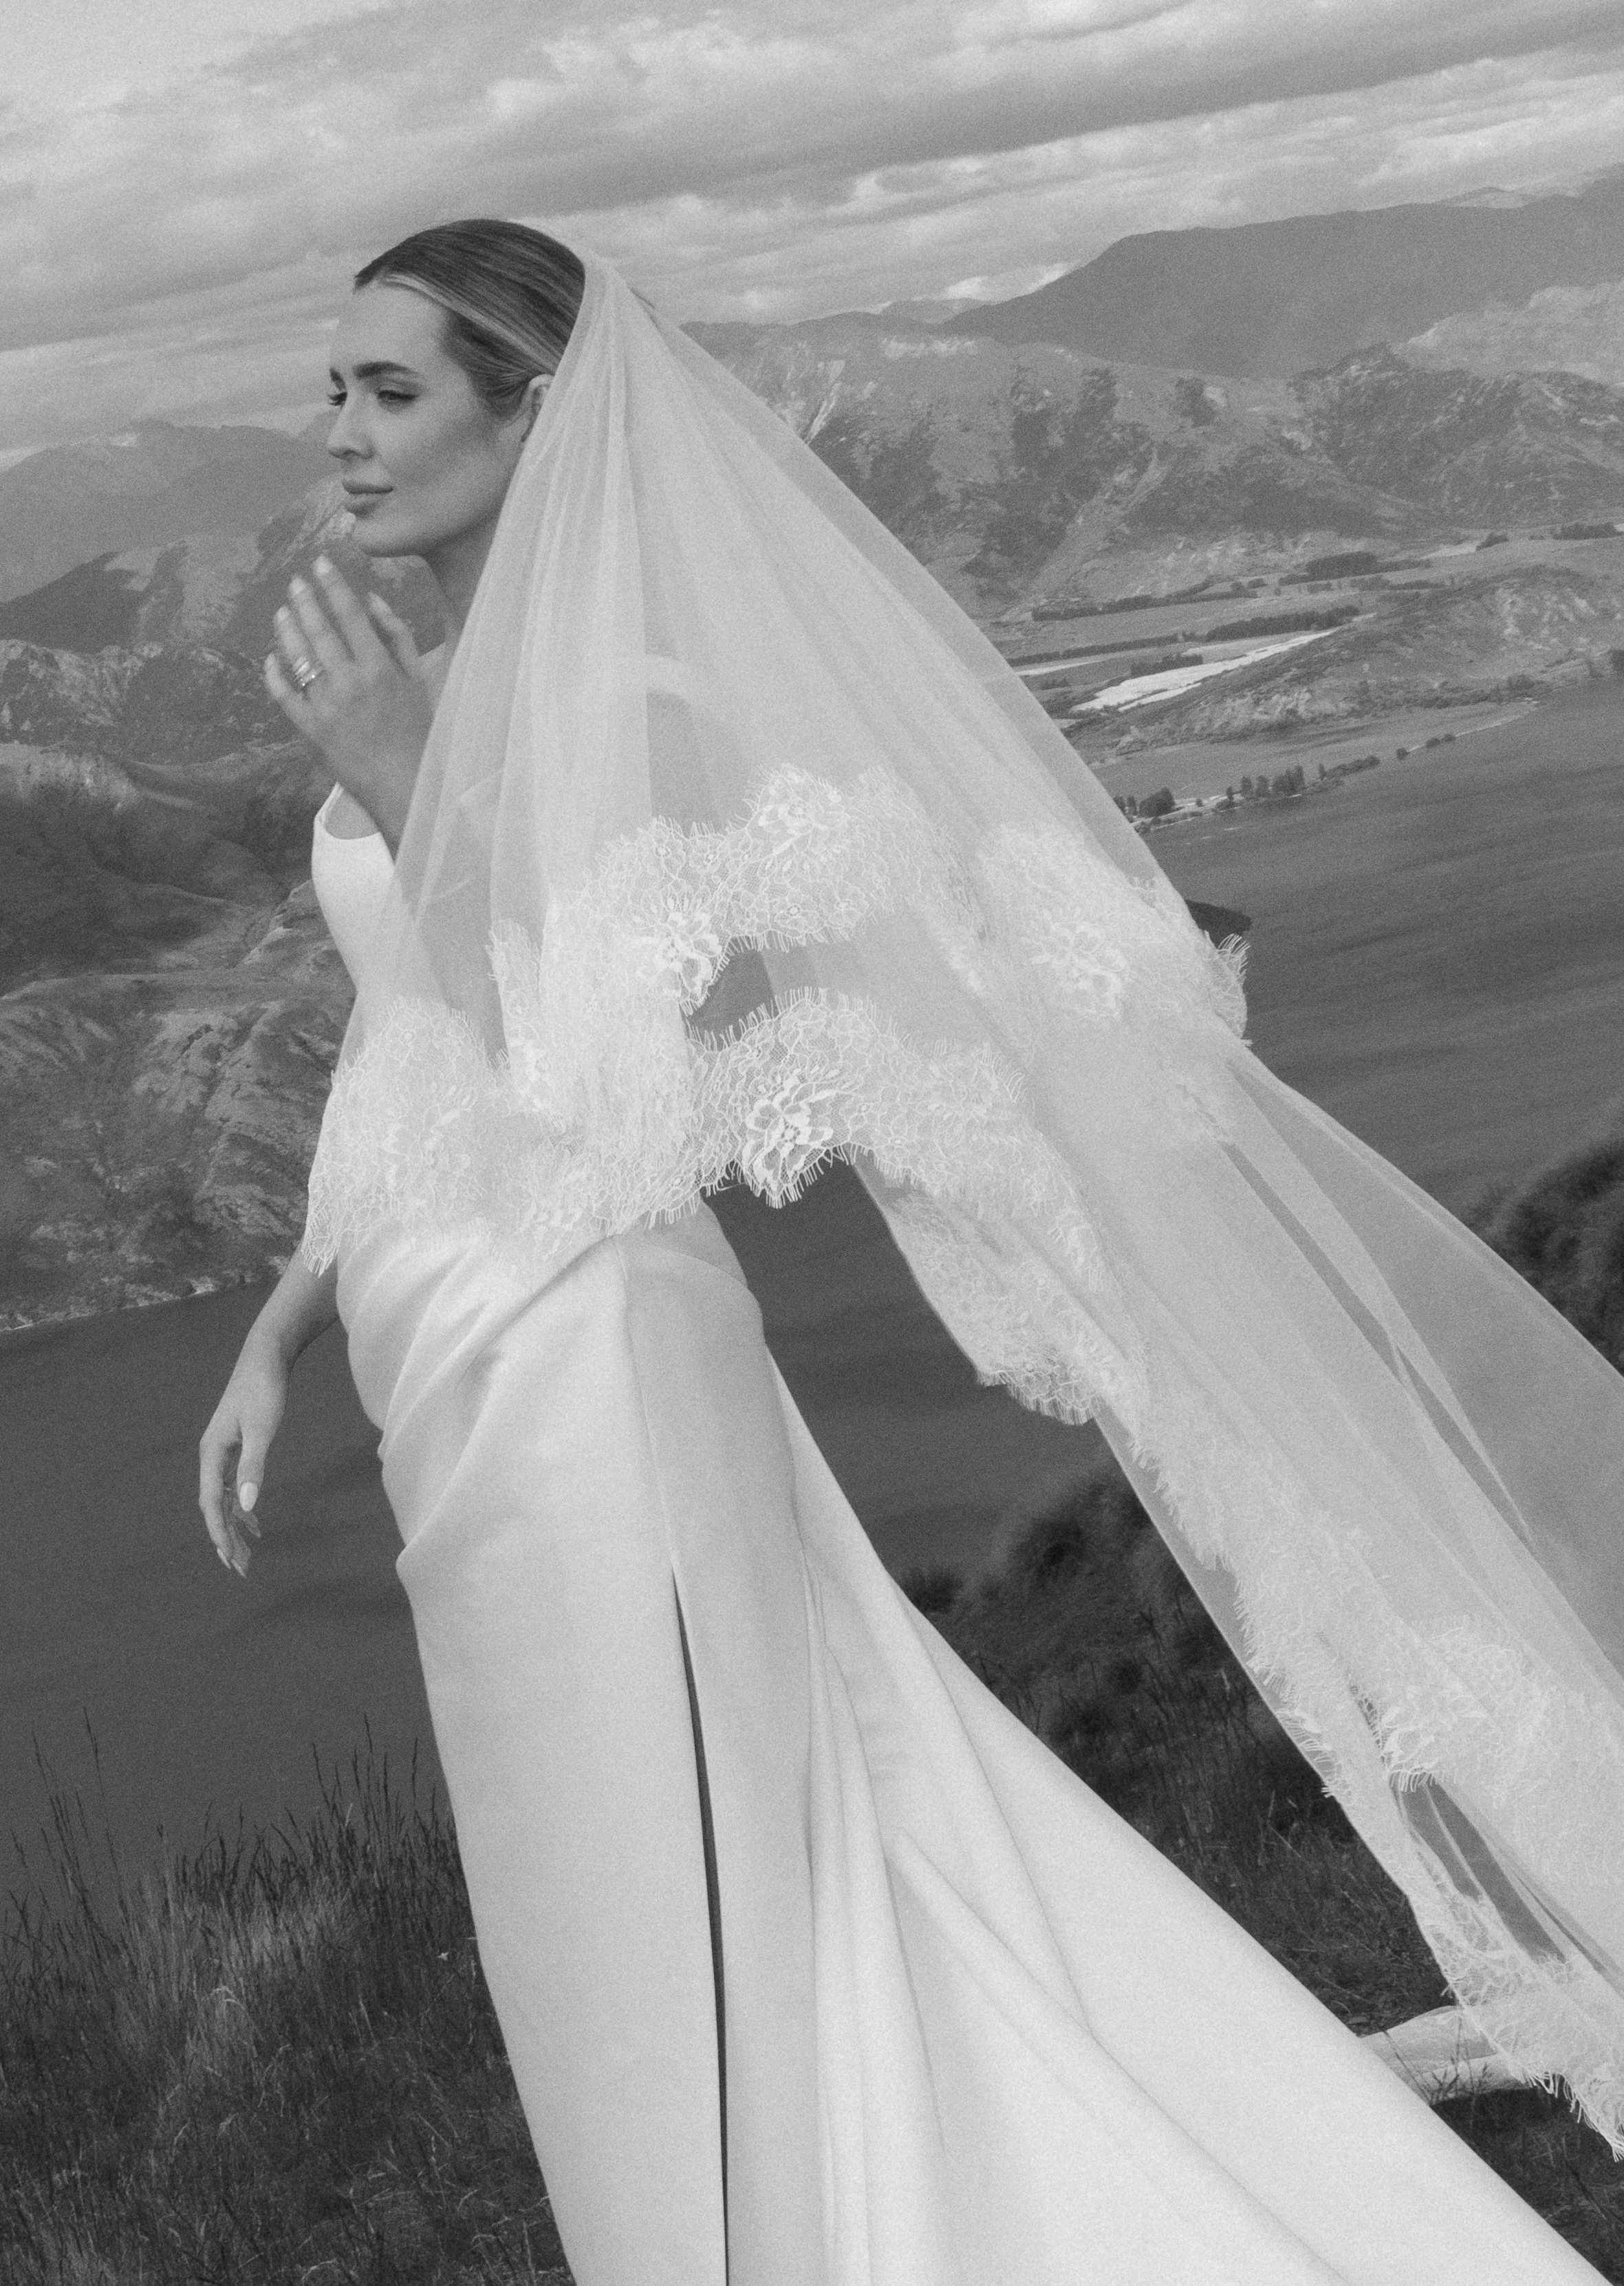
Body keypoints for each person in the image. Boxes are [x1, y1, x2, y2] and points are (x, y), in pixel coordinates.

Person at [198, 219, 1624, 2284]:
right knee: (574, 1881)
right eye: (330, 390)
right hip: (449, 1376)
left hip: (590, 1367)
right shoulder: (431, 694)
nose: (336, 436)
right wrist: (278, 1329)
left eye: (391, 390)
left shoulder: (638, 707)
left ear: (540, 416)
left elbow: (586, 1088)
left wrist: (412, 786)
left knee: (686, 1867)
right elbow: (403, 1043)